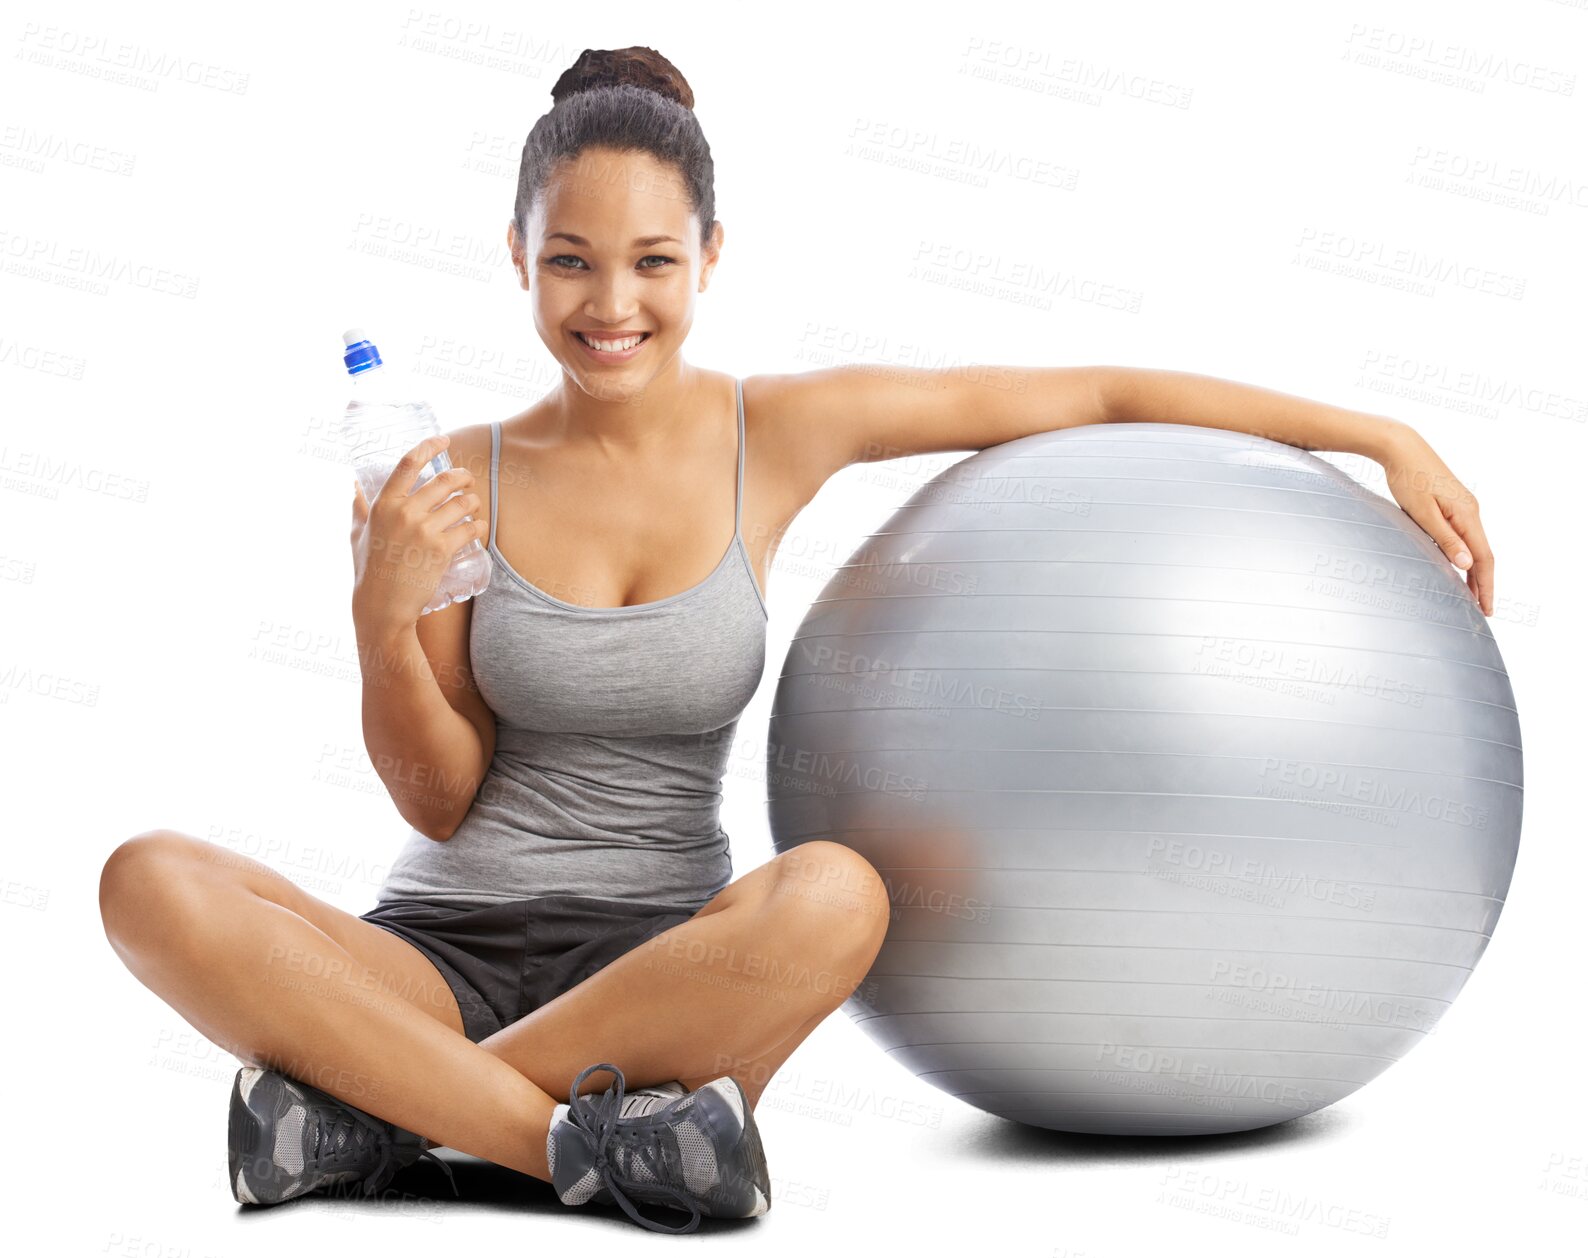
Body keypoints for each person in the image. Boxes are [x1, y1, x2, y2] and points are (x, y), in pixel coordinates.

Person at [98, 45, 1496, 1236]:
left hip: (669, 963)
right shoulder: (445, 469)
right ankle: (573, 1145)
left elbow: (1087, 390)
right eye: (571, 261)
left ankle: (383, 1116)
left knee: (838, 894)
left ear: (711, 256)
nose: (611, 305)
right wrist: (375, 604)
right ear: (518, 256)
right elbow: (438, 795)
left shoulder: (779, 431)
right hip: (437, 953)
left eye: (652, 260)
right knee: (147, 878)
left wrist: (1364, 430)